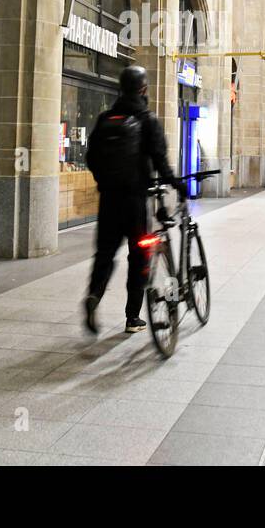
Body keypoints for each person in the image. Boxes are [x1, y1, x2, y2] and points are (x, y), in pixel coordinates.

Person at [83, 64, 180, 335]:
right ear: (143, 89)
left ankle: (94, 295)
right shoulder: (147, 119)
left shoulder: (105, 118)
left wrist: (104, 182)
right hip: (136, 201)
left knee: (104, 254)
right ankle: (132, 317)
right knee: (138, 256)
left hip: (109, 200)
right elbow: (160, 159)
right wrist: (175, 183)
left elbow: (91, 158)